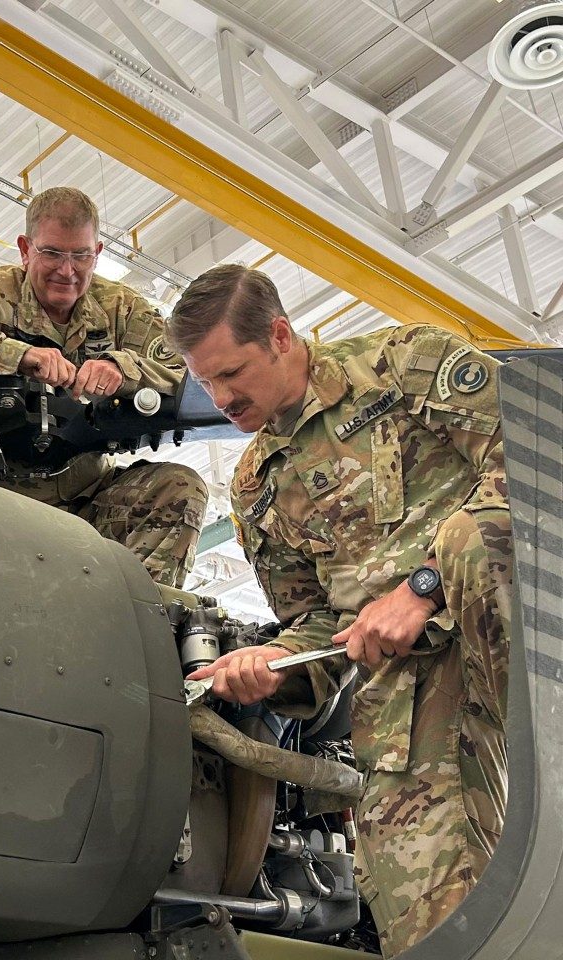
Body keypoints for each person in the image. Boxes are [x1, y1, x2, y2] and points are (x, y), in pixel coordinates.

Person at [165, 264, 512, 957]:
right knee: (427, 910)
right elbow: (319, 625)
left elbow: (535, 460)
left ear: (282, 336)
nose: (222, 398)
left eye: (233, 372)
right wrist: (274, 665)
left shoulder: (405, 368)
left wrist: (423, 587)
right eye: (206, 382)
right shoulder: (256, 485)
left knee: (472, 539)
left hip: (512, 625)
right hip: (410, 701)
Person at [0, 186, 206, 588]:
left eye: (81, 256)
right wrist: (11, 354)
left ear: (97, 253)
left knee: (180, 487)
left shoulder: (121, 308)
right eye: (52, 254)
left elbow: (193, 369)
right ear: (26, 249)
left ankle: (141, 618)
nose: (67, 270)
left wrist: (123, 367)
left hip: (90, 498)